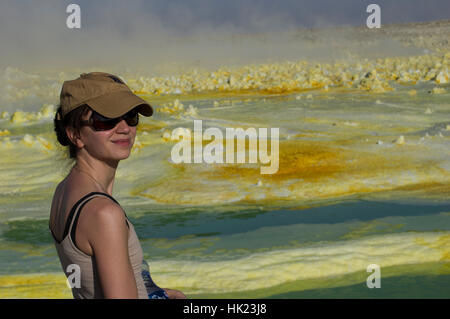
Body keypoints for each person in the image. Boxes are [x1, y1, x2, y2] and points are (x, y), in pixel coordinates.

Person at [49, 72, 186, 299]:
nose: (124, 128)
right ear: (74, 134)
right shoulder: (103, 213)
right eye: (106, 119)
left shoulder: (64, 191)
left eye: (131, 116)